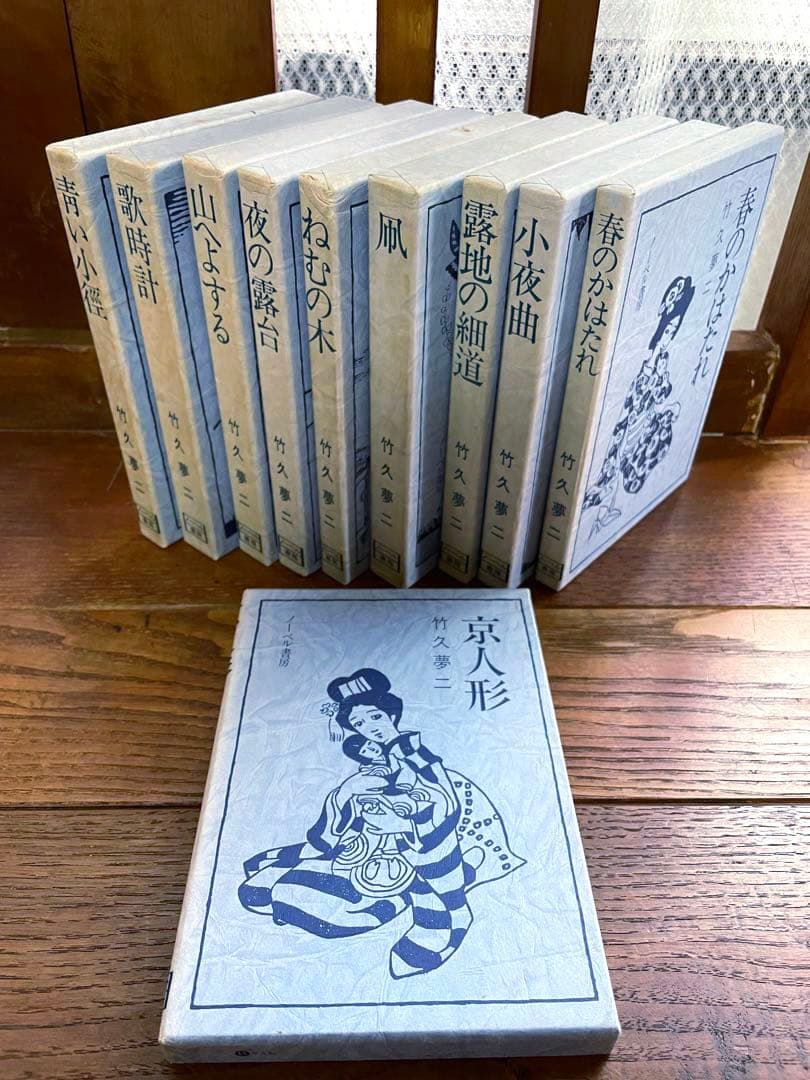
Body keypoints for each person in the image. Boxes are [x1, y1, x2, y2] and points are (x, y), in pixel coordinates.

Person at [239, 668, 523, 979]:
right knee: (292, 891)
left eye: (375, 717)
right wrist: (348, 793)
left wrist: (405, 820)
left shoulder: (415, 753)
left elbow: (446, 805)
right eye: (359, 724)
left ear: (391, 714)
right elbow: (346, 812)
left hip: (418, 848)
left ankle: (452, 909)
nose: (369, 728)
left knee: (351, 907)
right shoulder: (374, 762)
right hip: (369, 849)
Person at [583, 275, 695, 537]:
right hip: (629, 419)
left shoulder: (662, 359)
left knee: (619, 466)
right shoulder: (645, 351)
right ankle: (599, 508)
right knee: (611, 466)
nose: (670, 332)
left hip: (638, 422)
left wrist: (665, 407)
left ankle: (602, 513)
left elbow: (659, 394)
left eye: (674, 327)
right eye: (669, 326)